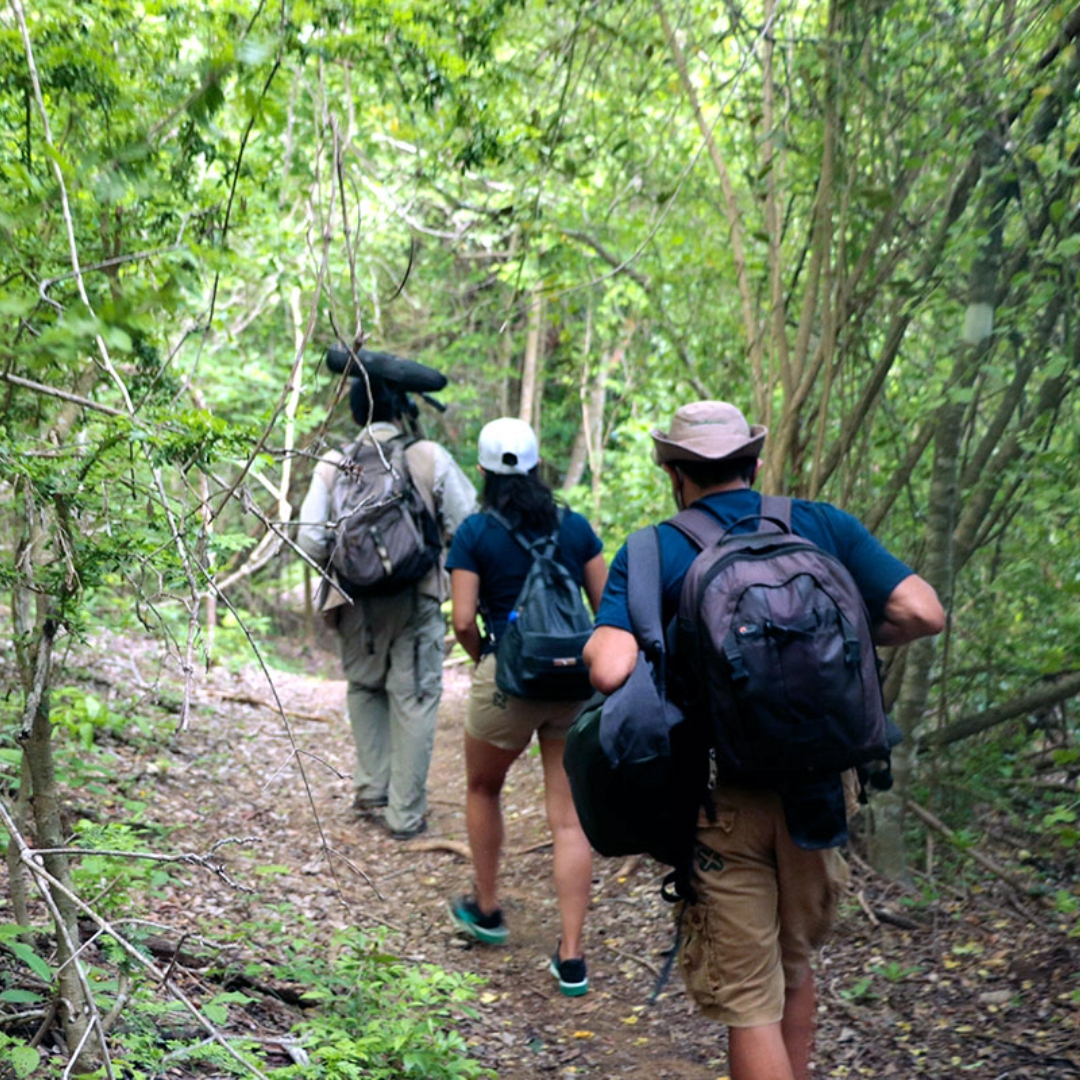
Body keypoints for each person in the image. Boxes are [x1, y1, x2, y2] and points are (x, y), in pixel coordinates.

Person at [584, 401, 944, 1079]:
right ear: (753, 463)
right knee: (795, 965)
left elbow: (608, 668)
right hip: (822, 796)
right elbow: (922, 611)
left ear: (674, 474)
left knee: (750, 1001)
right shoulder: (820, 525)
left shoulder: (652, 549)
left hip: (723, 803)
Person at [445, 418, 608, 997]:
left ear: (483, 472)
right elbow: (605, 607)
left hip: (509, 680)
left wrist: (484, 657)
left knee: (483, 787)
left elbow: (464, 619)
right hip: (573, 683)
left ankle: (487, 911)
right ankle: (571, 957)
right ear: (539, 467)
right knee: (568, 818)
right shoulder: (577, 527)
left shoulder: (474, 533)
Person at [297, 369, 477, 840]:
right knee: (414, 698)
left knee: (364, 687)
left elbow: (309, 537)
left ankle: (372, 788)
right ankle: (404, 815)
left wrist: (353, 566)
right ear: (402, 409)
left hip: (354, 600)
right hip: (416, 597)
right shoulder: (426, 457)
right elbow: (468, 522)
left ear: (356, 411)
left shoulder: (334, 461)